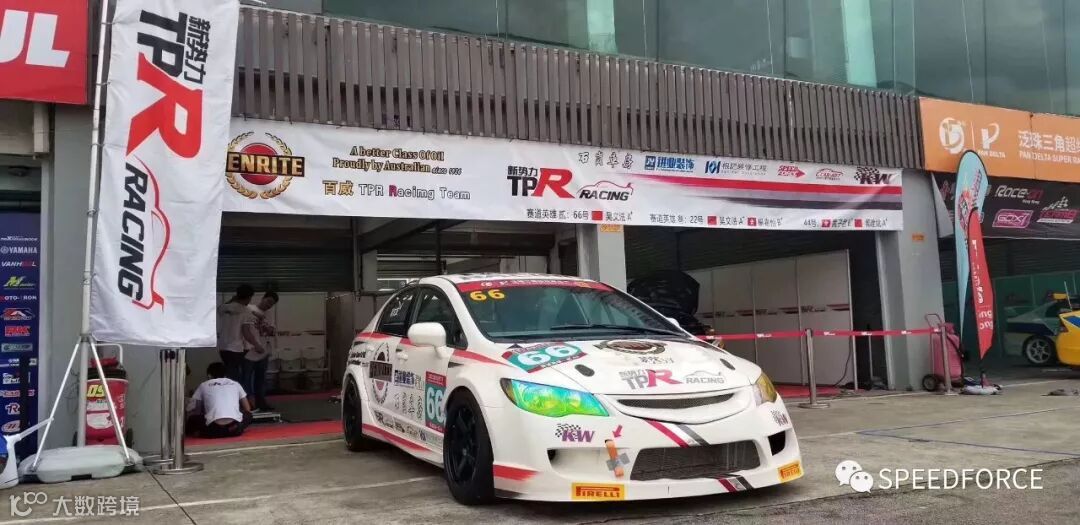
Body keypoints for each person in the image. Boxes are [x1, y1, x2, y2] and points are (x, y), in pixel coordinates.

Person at [186, 362, 253, 438]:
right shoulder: (235, 384)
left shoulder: (203, 385)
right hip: (234, 426)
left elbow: (197, 411)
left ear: (209, 375)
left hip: (213, 427)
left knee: (192, 418)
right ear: (225, 375)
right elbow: (247, 408)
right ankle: (231, 430)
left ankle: (206, 433)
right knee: (249, 415)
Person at [243, 291, 278, 411]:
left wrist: (268, 328)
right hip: (249, 350)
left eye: (272, 304)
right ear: (263, 298)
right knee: (246, 378)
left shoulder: (269, 314)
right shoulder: (249, 308)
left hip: (263, 351)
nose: (269, 305)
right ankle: (247, 404)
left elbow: (272, 331)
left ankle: (261, 402)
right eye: (268, 301)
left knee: (261, 378)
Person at [217, 284, 257, 382]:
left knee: (229, 372)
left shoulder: (224, 307)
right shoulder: (246, 311)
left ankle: (230, 390)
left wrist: (232, 300)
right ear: (249, 297)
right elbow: (246, 333)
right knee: (235, 376)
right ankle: (235, 391)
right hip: (236, 348)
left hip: (223, 347)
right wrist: (257, 345)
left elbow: (219, 308)